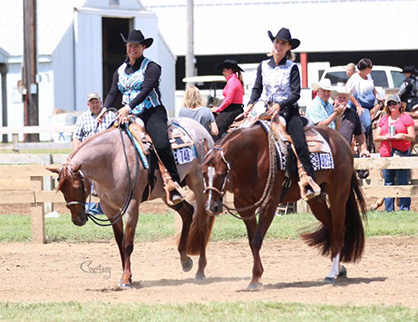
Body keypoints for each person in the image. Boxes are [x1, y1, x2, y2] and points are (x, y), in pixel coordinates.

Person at [101, 29, 184, 205]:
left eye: (136, 46)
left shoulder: (152, 67)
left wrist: (127, 107)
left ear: (143, 47)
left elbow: (146, 90)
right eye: (130, 45)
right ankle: (103, 187)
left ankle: (174, 182)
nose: (132, 49)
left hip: (151, 112)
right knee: (104, 143)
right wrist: (105, 108)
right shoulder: (120, 70)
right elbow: (113, 92)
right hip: (128, 114)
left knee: (161, 144)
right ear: (126, 47)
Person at [244, 27, 320, 200]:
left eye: (283, 43)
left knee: (299, 141)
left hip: (287, 110)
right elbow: (257, 88)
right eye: (277, 41)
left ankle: (308, 179)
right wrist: (250, 103)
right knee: (242, 131)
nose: (278, 45)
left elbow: (296, 93)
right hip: (263, 109)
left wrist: (280, 104)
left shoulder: (292, 67)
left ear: (288, 48)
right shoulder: (263, 65)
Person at [73, 92, 116, 215]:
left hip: (107, 156)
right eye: (92, 103)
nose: (95, 105)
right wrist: (76, 154)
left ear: (101, 103)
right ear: (88, 104)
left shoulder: (111, 116)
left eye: (97, 102)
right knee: (81, 182)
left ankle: (110, 205)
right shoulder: (82, 118)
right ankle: (83, 208)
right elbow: (77, 137)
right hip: (89, 156)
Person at [374, 94, 415, 211]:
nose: (392, 106)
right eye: (390, 104)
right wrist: (385, 137)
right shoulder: (384, 119)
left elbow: (412, 137)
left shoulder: (406, 118)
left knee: (403, 180)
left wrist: (402, 135)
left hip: (401, 152)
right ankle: (389, 209)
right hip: (386, 152)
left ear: (399, 104)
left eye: (394, 103)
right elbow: (376, 137)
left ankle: (404, 208)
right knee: (388, 181)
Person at [346, 58, 383, 140]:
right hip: (361, 104)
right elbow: (348, 93)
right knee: (366, 124)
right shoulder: (354, 78)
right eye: (371, 67)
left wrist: (377, 96)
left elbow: (373, 88)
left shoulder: (368, 76)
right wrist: (358, 105)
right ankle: (362, 141)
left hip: (371, 103)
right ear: (367, 68)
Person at [331, 87, 370, 157]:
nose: (342, 100)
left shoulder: (352, 114)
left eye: (344, 98)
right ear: (334, 98)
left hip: (345, 153)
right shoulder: (328, 111)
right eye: (340, 97)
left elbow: (360, 133)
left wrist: (363, 149)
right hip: (329, 152)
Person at [211, 59, 244, 140]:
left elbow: (228, 100)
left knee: (216, 129)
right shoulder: (234, 80)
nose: (223, 73)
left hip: (232, 109)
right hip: (233, 108)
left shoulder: (232, 81)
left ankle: (215, 147)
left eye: (224, 70)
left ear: (230, 70)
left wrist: (218, 109)